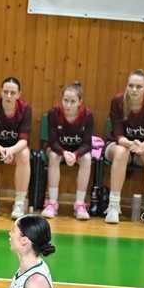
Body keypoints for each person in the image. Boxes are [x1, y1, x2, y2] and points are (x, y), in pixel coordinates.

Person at [103, 69, 144, 226]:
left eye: (138, 86)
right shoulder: (117, 101)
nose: (134, 89)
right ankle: (113, 207)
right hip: (119, 144)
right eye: (131, 85)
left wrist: (143, 146)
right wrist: (131, 144)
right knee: (121, 151)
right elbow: (118, 134)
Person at [0, 78, 33, 220]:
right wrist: (2, 150)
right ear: (1, 92)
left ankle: (19, 204)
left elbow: (24, 140)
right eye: (5, 92)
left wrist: (11, 150)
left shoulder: (25, 109)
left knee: (25, 155)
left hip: (15, 147)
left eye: (12, 93)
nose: (8, 96)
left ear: (19, 94)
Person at [41, 82, 94, 220]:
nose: (68, 105)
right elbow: (52, 142)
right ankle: (52, 203)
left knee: (87, 158)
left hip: (77, 151)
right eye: (65, 100)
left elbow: (87, 144)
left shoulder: (88, 115)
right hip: (58, 149)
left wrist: (75, 155)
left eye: (72, 101)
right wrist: (64, 152)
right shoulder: (53, 113)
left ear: (80, 102)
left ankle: (80, 204)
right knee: (53, 156)